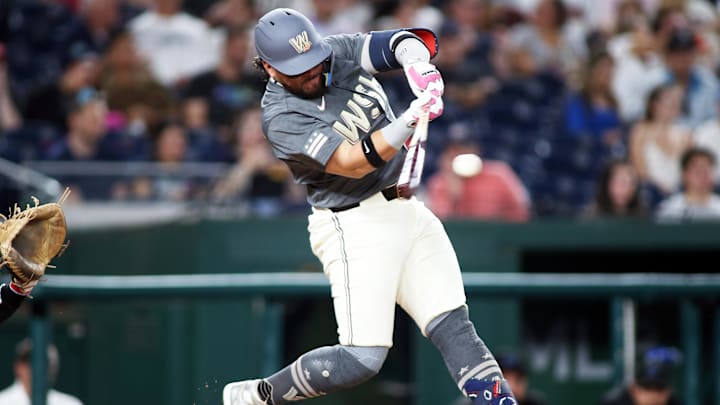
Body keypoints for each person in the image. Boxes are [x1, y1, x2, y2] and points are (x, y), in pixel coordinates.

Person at [223, 8, 517, 405]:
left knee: (454, 326)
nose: (311, 73)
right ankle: (258, 397)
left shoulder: (331, 52)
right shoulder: (280, 115)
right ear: (268, 69)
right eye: (297, 69)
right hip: (353, 223)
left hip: (407, 210)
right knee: (363, 359)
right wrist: (409, 120)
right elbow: (351, 161)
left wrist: (418, 65)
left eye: (313, 62)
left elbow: (403, 41)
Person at [425, 139, 530, 222]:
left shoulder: (499, 174)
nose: (460, 157)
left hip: (498, 238)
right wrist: (454, 191)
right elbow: (442, 223)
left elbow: (522, 210)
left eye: (464, 151)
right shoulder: (439, 182)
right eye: (454, 153)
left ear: (476, 151)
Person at [0, 338, 83, 405]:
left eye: (43, 362)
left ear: (53, 368)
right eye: (27, 361)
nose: (33, 368)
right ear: (17, 366)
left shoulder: (70, 403)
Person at [599, 346, 682, 405]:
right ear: (633, 389)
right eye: (646, 388)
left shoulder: (674, 402)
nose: (652, 396)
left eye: (659, 388)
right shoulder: (614, 402)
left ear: (669, 391)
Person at [655, 147, 720, 221]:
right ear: (684, 175)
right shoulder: (670, 210)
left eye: (707, 170)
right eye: (698, 171)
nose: (703, 176)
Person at [583, 158, 648, 218]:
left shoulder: (642, 217)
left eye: (630, 183)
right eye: (619, 182)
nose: (625, 188)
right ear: (606, 184)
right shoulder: (592, 217)